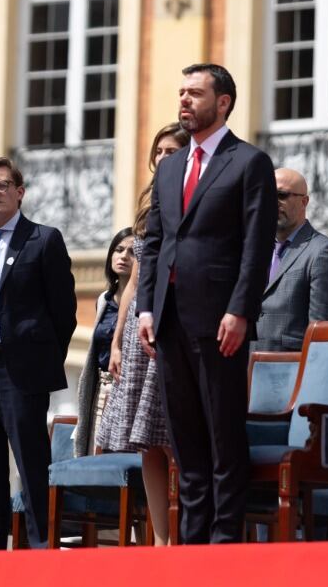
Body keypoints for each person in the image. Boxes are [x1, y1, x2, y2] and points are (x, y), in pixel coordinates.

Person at [137, 65, 277, 545]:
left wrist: (241, 310)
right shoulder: (171, 167)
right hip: (169, 319)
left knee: (223, 439)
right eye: (180, 92)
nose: (184, 100)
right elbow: (154, 241)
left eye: (195, 93)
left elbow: (257, 246)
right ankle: (191, 545)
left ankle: (223, 546)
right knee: (186, 441)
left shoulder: (248, 162)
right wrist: (145, 308)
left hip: (221, 321)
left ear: (223, 103)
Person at [0, 157, 77, 548]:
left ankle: (41, 549)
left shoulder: (43, 239)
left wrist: (39, 358)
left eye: (2, 185)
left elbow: (64, 312)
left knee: (30, 463)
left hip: (19, 369)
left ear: (20, 192)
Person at [97, 123, 188, 545]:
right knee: (147, 441)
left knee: (175, 436)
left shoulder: (194, 196)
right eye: (161, 151)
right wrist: (116, 340)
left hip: (176, 319)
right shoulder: (147, 204)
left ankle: (186, 531)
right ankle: (161, 537)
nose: (166, 157)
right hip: (138, 327)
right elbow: (133, 283)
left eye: (174, 150)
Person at [253, 167, 328, 352]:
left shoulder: (323, 252)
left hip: (291, 371)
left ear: (304, 201)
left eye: (281, 195)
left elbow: (323, 333)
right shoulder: (254, 249)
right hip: (249, 370)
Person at [74, 227, 134, 456]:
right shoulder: (103, 300)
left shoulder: (146, 301)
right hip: (102, 389)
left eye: (132, 252)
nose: (124, 256)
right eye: (119, 250)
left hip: (129, 390)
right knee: (95, 457)